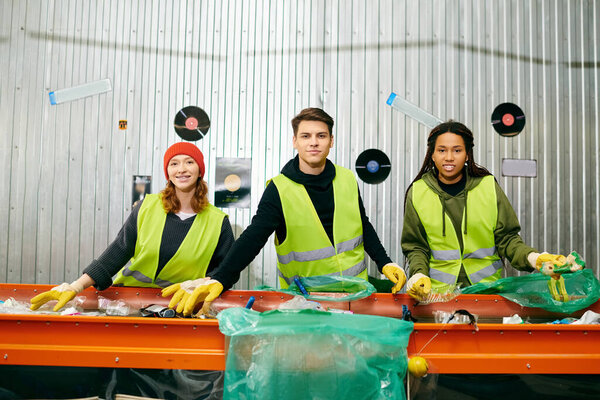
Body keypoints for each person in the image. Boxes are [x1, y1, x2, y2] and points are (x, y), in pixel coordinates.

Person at [174, 107, 408, 316]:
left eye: (321, 136)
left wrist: (385, 262)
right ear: (295, 141)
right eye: (306, 136)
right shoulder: (279, 189)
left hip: (355, 301)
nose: (314, 142)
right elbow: (254, 237)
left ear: (331, 141)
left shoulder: (346, 178)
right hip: (306, 306)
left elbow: (362, 224)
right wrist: (221, 278)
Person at [30, 142, 234, 312]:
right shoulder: (147, 206)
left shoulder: (218, 222)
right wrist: (75, 286)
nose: (181, 169)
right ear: (168, 172)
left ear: (200, 170)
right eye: (174, 163)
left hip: (178, 308)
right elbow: (119, 250)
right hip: (127, 302)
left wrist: (201, 285)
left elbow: (227, 272)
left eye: (189, 162)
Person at [401, 120, 566, 300]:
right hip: (437, 296)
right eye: (442, 150)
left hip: (487, 294)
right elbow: (416, 246)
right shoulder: (418, 192)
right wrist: (418, 274)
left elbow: (507, 238)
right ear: (432, 154)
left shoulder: (487, 186)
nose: (449, 157)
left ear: (467, 155)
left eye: (457, 150)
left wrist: (533, 258)